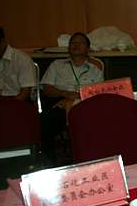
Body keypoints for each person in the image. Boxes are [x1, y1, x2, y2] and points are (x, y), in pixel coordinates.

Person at [40, 32, 104, 162]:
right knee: (43, 122)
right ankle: (50, 163)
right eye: (73, 42)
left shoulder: (95, 69)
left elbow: (99, 92)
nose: (76, 45)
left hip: (85, 103)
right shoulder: (56, 65)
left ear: (88, 49)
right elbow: (46, 88)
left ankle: (91, 159)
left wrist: (73, 101)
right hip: (60, 101)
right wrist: (65, 94)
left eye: (80, 43)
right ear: (68, 48)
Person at [0, 23, 36, 101]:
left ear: (2, 42)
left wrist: (11, 105)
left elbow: (26, 92)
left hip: (18, 100)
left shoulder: (21, 59)